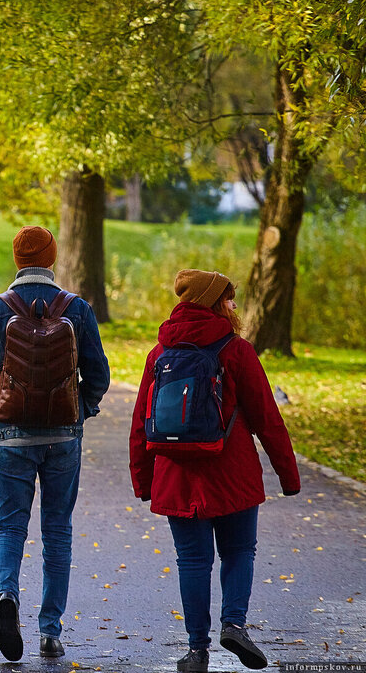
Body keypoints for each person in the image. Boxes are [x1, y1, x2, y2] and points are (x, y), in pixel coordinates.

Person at [129, 270, 301, 673]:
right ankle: (235, 625)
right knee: (239, 551)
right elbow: (267, 419)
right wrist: (288, 476)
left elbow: (141, 423)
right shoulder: (236, 350)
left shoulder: (159, 354)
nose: (234, 306)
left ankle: (196, 651)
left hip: (176, 477)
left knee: (193, 560)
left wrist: (143, 481)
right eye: (229, 298)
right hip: (232, 472)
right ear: (213, 302)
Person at [0, 225, 111, 661]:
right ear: (52, 258)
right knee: (57, 531)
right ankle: (50, 631)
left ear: (16, 260)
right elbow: (99, 376)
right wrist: (81, 409)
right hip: (64, 435)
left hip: (10, 436)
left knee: (9, 526)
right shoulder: (77, 310)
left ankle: (7, 595)